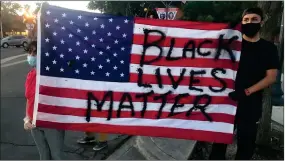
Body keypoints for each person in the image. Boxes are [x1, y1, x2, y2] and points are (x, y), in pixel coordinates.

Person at [209, 7, 280, 160]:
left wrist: (246, 91)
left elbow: (271, 77)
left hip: (250, 103)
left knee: (246, 145)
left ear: (262, 22)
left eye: (254, 19)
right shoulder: (231, 45)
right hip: (226, 101)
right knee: (219, 144)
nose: (250, 23)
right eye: (246, 20)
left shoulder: (269, 49)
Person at [23, 41, 65, 160]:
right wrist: (27, 118)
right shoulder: (31, 75)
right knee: (44, 156)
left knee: (57, 156)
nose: (31, 55)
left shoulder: (52, 74)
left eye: (35, 52)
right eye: (30, 52)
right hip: (34, 123)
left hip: (51, 123)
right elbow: (29, 99)